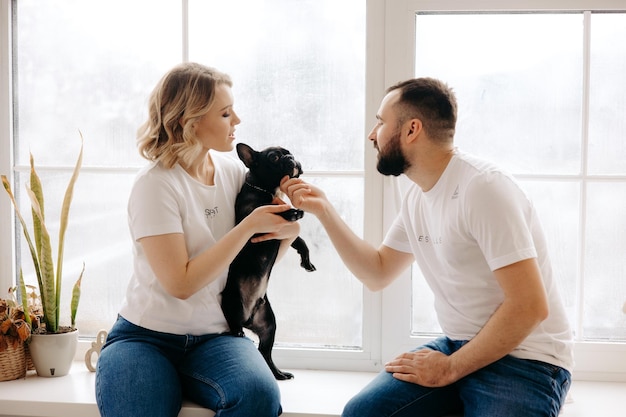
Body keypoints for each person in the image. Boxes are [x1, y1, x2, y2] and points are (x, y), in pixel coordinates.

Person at [280, 77, 573, 417]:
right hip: (458, 345)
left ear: (411, 129)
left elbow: (530, 307)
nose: (372, 134)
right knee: (363, 413)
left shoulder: (483, 189)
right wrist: (325, 211)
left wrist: (449, 369)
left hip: (526, 360)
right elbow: (377, 272)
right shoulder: (418, 195)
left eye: (380, 121)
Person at [96, 62, 299, 417]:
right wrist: (248, 226)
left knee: (259, 397)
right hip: (145, 338)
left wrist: (288, 231)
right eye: (225, 113)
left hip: (216, 337)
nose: (237, 120)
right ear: (189, 121)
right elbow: (181, 282)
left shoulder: (235, 173)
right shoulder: (155, 185)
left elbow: (258, 256)